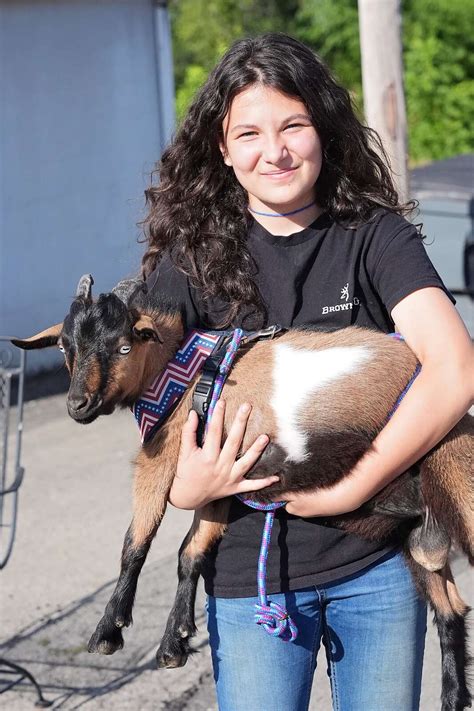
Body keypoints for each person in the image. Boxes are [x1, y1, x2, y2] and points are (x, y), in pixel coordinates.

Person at [141, 33, 473, 711]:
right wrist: (186, 486)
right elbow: (147, 412)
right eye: (250, 133)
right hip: (249, 581)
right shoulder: (189, 264)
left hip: (376, 570)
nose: (277, 150)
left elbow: (456, 368)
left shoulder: (374, 238)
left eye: (294, 124)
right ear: (223, 149)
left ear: (323, 127)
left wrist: (358, 482)